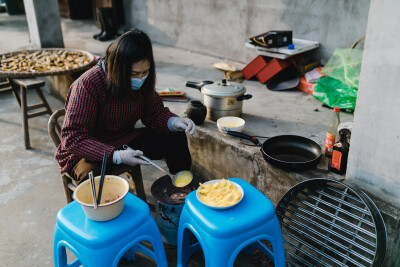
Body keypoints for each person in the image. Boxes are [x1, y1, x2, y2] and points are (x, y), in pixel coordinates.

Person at [55, 29, 196, 183]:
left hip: (124, 139)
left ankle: (181, 186)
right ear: (117, 68)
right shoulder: (87, 85)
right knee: (94, 178)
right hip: (87, 151)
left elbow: (154, 113)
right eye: (134, 74)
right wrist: (115, 156)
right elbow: (73, 138)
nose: (140, 78)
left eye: (145, 72)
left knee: (174, 135)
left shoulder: (143, 82)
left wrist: (173, 122)